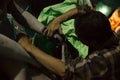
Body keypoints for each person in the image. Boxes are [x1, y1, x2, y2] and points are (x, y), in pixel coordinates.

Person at [18, 5, 120, 80]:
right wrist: (58, 20)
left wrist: (28, 46)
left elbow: (67, 72)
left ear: (92, 42)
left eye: (79, 36)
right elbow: (83, 9)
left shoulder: (103, 60)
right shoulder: (107, 34)